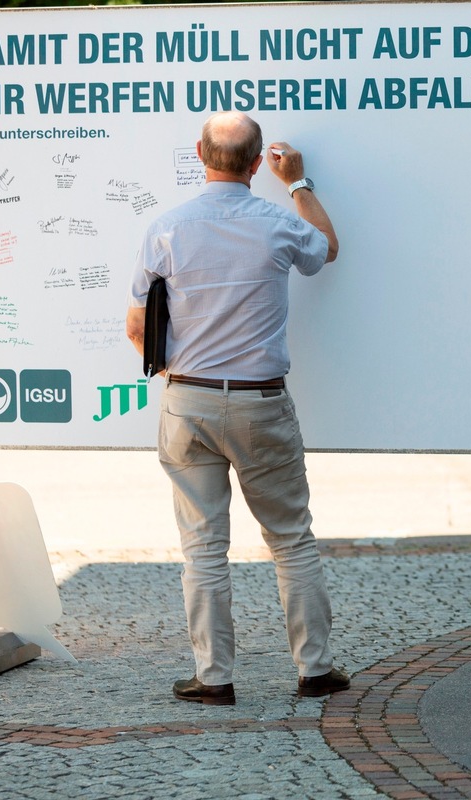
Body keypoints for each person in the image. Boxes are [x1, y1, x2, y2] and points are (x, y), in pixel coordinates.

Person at [126, 110, 349, 706]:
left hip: (188, 400)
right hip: (260, 404)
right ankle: (315, 671)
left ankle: (214, 678)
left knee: (202, 547)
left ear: (200, 152)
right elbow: (327, 249)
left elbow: (136, 327)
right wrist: (298, 183)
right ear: (256, 165)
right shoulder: (277, 224)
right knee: (290, 539)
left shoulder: (165, 229)